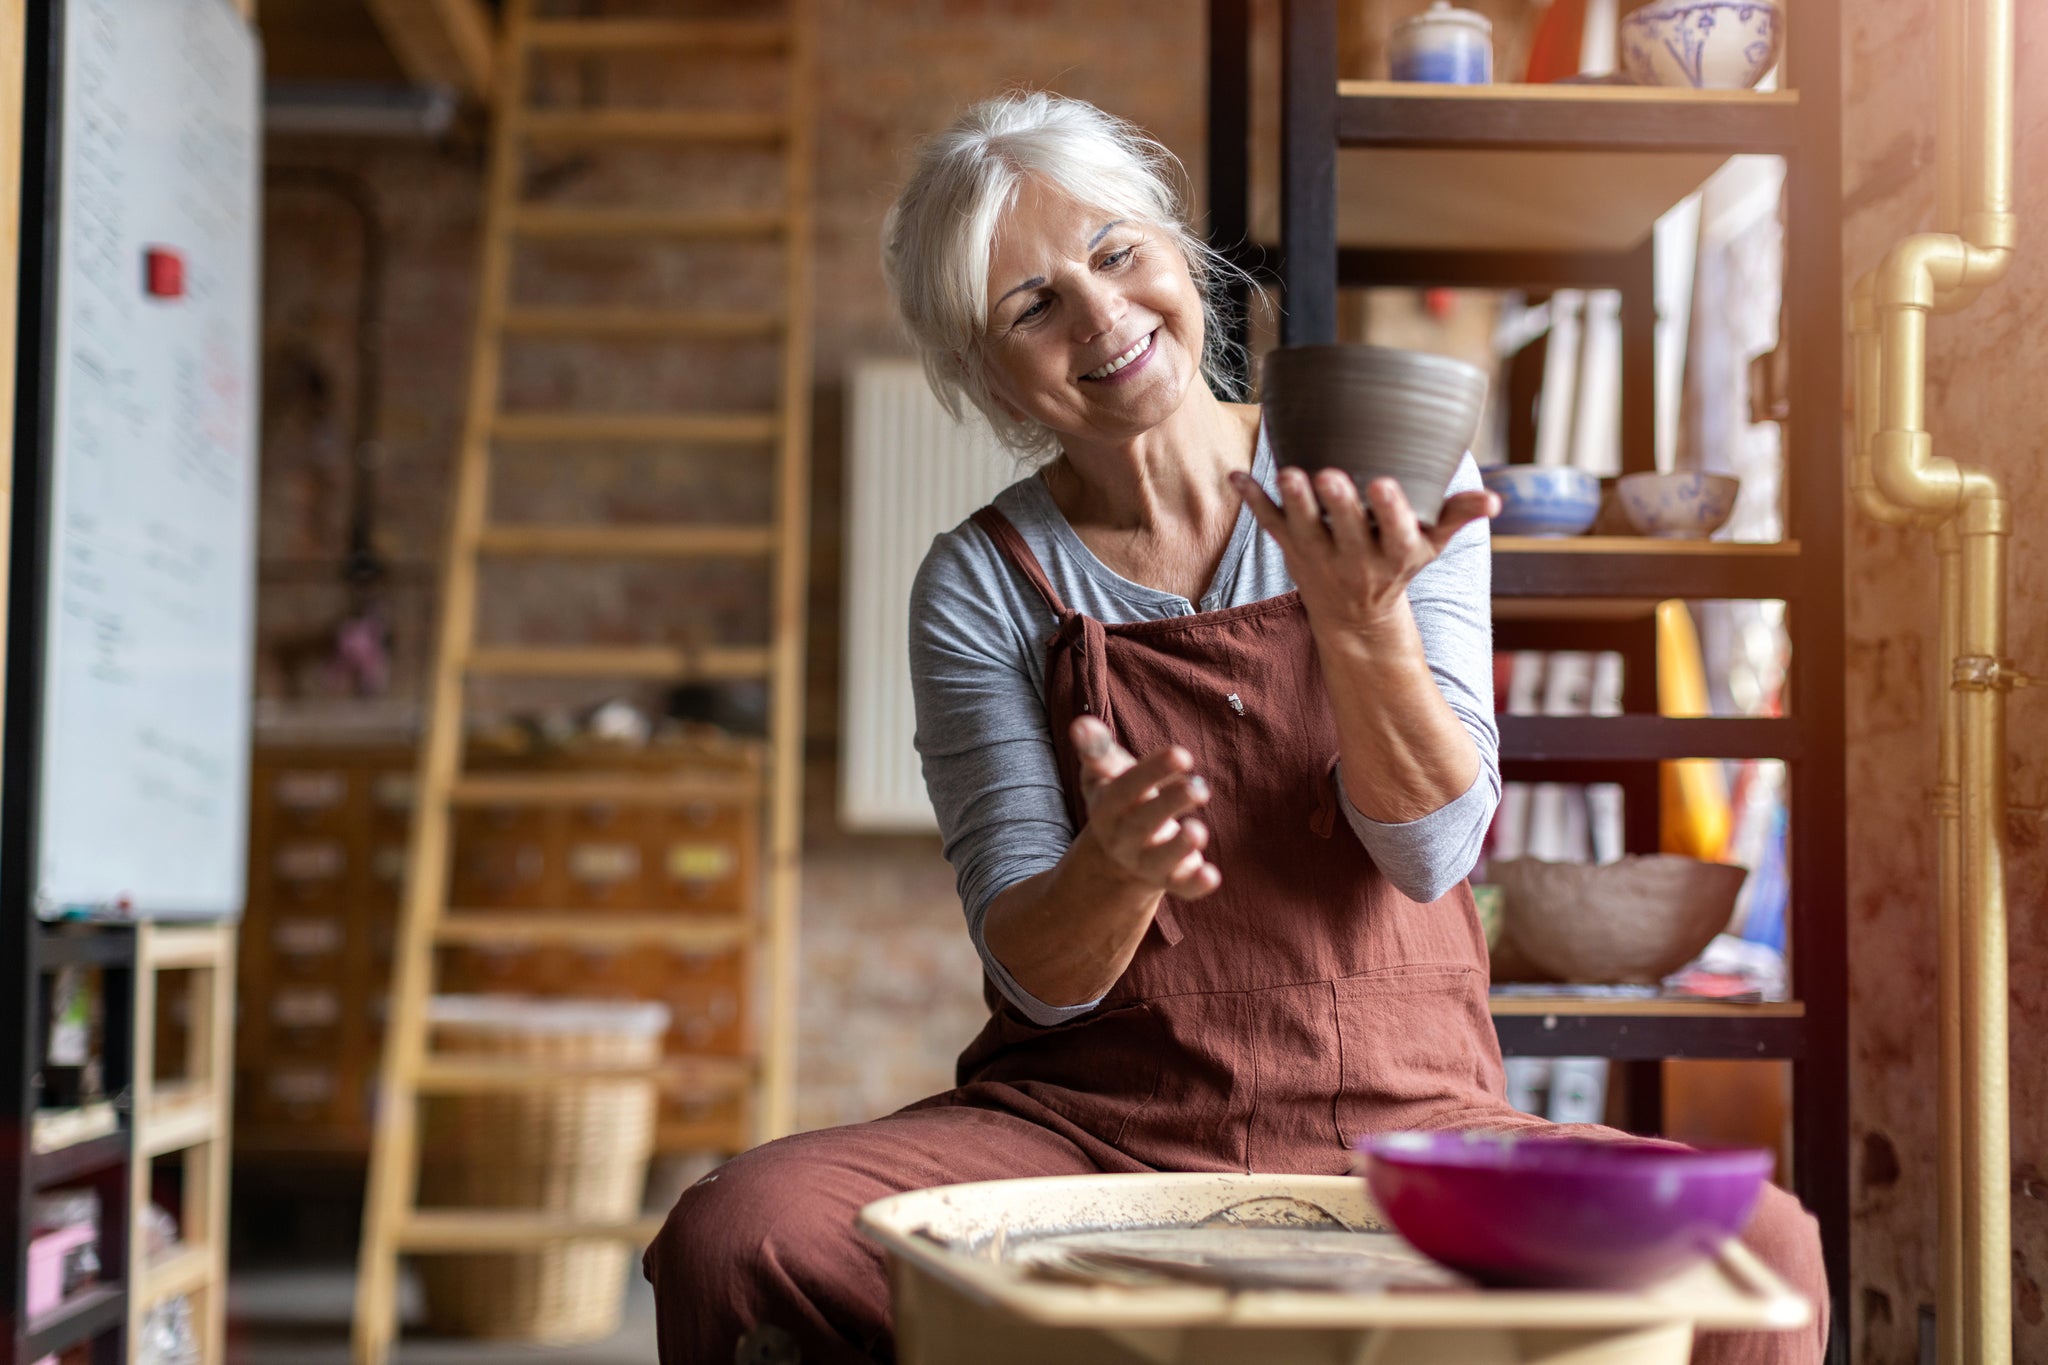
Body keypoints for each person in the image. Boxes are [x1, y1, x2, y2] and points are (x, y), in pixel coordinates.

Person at [645, 90, 1827, 1365]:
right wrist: (1110, 870)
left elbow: (1433, 853)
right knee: (742, 1232)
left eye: (1113, 254)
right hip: (1092, 1131)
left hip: (1412, 1125)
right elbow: (1038, 974)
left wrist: (1361, 621)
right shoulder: (982, 581)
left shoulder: (1384, 476)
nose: (1100, 317)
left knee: (1758, 1249)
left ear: (1174, 248)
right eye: (1030, 307)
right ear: (984, 374)